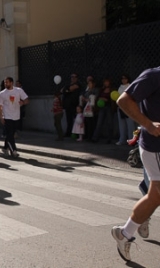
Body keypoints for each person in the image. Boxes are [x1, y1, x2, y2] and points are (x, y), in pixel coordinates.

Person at [111, 67, 160, 262]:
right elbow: (123, 100)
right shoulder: (154, 75)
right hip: (156, 147)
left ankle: (125, 232)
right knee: (156, 194)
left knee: (155, 196)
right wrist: (148, 125)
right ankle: (126, 232)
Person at [0, 77, 29, 157]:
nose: (5, 84)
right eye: (4, 82)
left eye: (7, 82)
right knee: (10, 134)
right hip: (7, 116)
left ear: (12, 83)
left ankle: (5, 147)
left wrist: (23, 102)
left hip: (16, 116)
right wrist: (1, 117)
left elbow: (27, 100)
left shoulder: (18, 91)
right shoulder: (2, 93)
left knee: (11, 133)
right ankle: (13, 150)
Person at [91, 78, 114, 143]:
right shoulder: (101, 89)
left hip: (108, 107)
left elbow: (113, 99)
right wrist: (100, 98)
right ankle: (95, 138)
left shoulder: (112, 89)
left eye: (107, 82)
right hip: (102, 107)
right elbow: (98, 96)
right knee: (99, 123)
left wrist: (107, 100)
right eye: (105, 82)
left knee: (109, 123)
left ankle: (109, 138)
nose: (106, 83)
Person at [116, 74, 135, 145]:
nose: (124, 80)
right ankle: (122, 140)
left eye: (125, 78)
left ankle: (131, 140)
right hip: (120, 108)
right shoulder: (120, 87)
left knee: (130, 125)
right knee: (122, 125)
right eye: (122, 79)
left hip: (129, 108)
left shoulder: (130, 86)